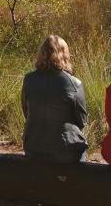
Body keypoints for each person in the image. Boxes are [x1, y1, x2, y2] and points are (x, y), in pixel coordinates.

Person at [21, 35, 87, 164]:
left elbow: (26, 112)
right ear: (65, 55)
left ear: (41, 54)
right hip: (65, 150)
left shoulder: (28, 79)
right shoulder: (74, 83)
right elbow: (82, 121)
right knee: (82, 150)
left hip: (32, 147)